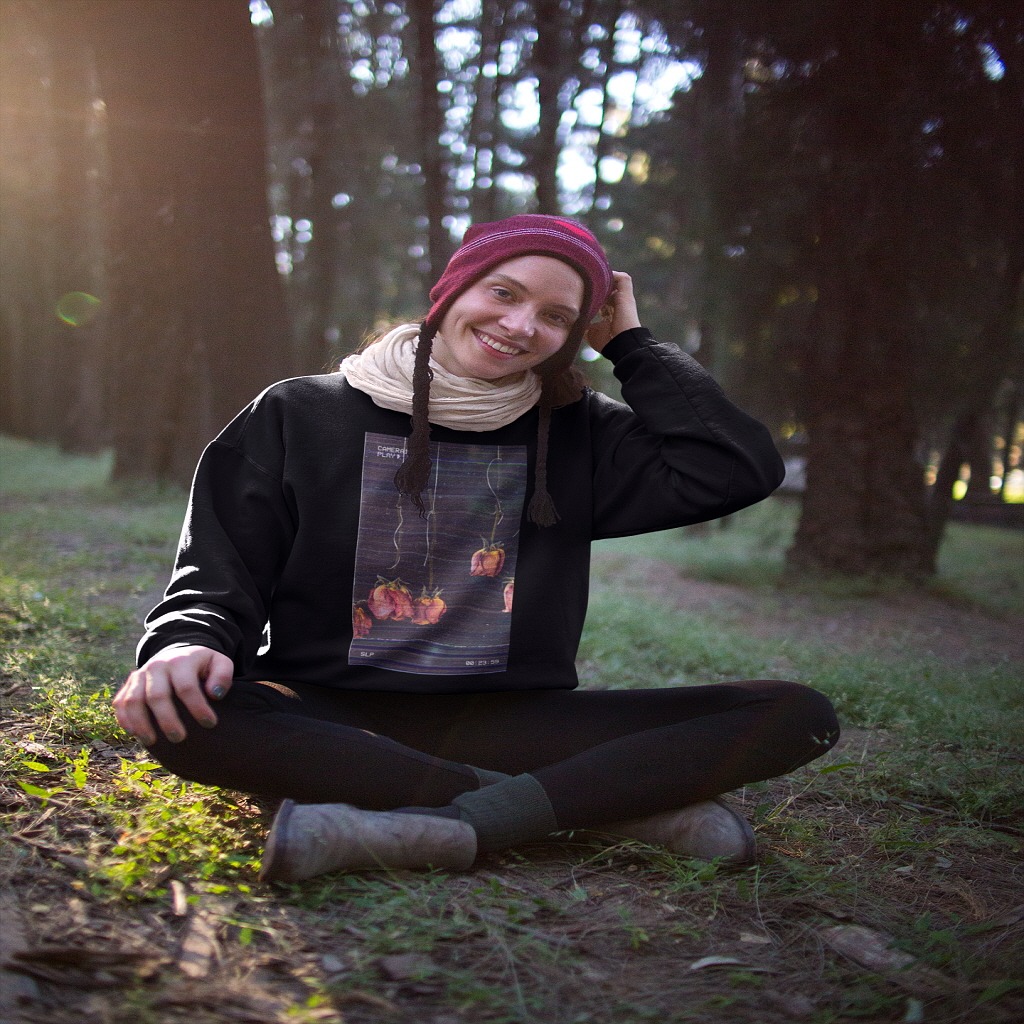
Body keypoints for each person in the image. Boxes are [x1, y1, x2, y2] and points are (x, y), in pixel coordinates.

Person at [113, 215, 839, 882]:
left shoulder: (581, 432)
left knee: (794, 714)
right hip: (330, 715)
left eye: (556, 316)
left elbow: (736, 468)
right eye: (504, 292)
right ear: (454, 287)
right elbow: (217, 572)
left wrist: (630, 345)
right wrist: (184, 643)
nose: (520, 325)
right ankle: (597, 809)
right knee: (183, 716)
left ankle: (459, 822)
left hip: (511, 722)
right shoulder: (299, 413)